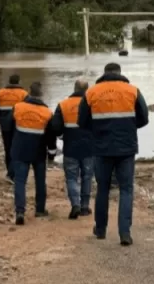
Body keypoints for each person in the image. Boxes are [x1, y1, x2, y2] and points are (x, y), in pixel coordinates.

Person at [78, 62, 149, 246]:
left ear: (104, 73)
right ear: (120, 73)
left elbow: (82, 121)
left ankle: (100, 230)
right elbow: (144, 118)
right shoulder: (132, 91)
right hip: (126, 148)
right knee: (126, 189)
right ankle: (124, 233)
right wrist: (128, 127)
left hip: (101, 148)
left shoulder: (91, 92)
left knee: (102, 188)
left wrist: (98, 132)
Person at [10, 82, 56, 225]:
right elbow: (51, 135)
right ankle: (40, 209)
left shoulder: (18, 107)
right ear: (41, 94)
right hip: (38, 152)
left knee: (20, 181)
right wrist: (51, 153)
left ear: (29, 92)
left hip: (20, 150)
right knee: (40, 181)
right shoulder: (47, 112)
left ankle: (19, 211)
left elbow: (9, 126)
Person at [52, 78, 95, 220]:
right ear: (87, 89)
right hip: (89, 147)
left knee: (71, 178)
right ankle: (84, 206)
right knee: (87, 177)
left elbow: (56, 127)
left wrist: (61, 135)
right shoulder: (92, 104)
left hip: (70, 146)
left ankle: (75, 204)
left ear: (74, 88)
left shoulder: (63, 105)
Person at [0, 74, 28, 184]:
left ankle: (10, 172)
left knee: (8, 149)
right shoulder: (24, 94)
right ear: (19, 82)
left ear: (9, 81)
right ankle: (12, 174)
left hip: (5, 125)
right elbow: (28, 110)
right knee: (17, 149)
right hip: (18, 125)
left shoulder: (0, 93)